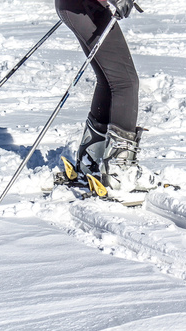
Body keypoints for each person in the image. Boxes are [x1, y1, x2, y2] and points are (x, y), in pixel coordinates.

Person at [55, 0, 155, 191]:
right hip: (83, 8)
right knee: (125, 82)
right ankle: (119, 170)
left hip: (79, 7)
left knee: (110, 80)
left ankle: (92, 158)